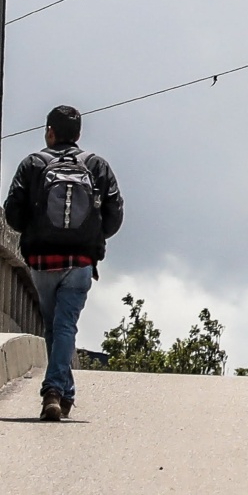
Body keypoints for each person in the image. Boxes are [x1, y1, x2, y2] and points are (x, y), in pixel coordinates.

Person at [3, 106, 124, 421]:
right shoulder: (96, 165)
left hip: (42, 261)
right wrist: (91, 236)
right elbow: (114, 214)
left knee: (54, 326)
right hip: (80, 261)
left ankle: (59, 392)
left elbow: (12, 215)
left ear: (49, 132)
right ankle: (57, 391)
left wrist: (37, 227)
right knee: (65, 324)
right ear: (79, 134)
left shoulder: (32, 164)